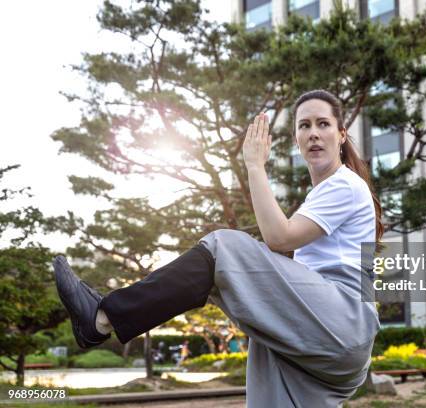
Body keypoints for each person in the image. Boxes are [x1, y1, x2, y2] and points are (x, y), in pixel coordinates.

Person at [54, 89, 383, 407]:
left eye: (323, 124)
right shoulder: (323, 196)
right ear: (296, 139)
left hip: (342, 322)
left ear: (341, 134)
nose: (313, 133)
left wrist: (254, 165)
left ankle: (102, 319)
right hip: (327, 336)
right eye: (304, 125)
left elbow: (279, 238)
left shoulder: (346, 184)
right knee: (259, 349)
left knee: (224, 250)